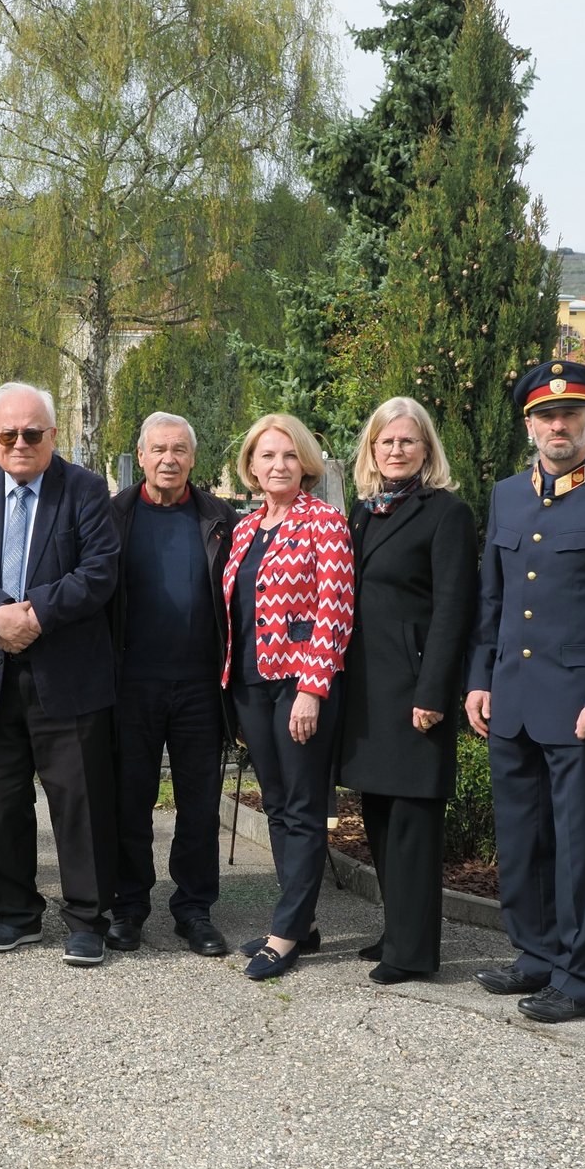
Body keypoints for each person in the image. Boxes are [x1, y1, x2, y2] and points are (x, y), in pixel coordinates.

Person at [465, 360, 585, 1023]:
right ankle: (536, 956)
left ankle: (582, 978)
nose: (558, 425)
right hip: (512, 702)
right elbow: (491, 598)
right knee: (521, 839)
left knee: (581, 847)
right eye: (546, 415)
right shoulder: (507, 496)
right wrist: (478, 680)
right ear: (529, 424)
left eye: (571, 414)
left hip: (581, 708)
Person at [0, 382, 120, 967]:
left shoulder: (86, 490)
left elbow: (99, 572)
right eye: (8, 434)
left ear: (53, 434)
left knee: (80, 802)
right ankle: (16, 913)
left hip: (66, 674)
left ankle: (88, 919)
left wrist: (34, 614)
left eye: (32, 433)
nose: (21, 443)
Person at [334, 398, 477, 986]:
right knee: (379, 814)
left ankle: (414, 953)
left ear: (427, 450)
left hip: (416, 691)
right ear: (372, 450)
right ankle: (398, 931)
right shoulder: (366, 512)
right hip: (369, 690)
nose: (395, 451)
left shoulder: (446, 513)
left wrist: (434, 691)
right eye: (385, 443)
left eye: (406, 442)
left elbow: (453, 611)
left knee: (415, 822)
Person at [221, 413, 354, 981]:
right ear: (251, 467)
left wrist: (312, 689)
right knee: (275, 803)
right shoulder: (246, 529)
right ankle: (302, 920)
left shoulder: (325, 522)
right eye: (266, 456)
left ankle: (285, 933)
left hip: (300, 686)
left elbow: (335, 610)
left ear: (305, 464)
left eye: (288, 456)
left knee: (301, 808)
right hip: (250, 682)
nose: (277, 465)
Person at [107, 412, 238, 957]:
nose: (169, 459)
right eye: (159, 449)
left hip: (200, 687)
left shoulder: (220, 519)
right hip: (129, 685)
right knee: (129, 801)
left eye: (180, 450)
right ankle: (129, 906)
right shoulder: (112, 516)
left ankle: (193, 909)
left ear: (193, 458)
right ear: (140, 456)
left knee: (199, 803)